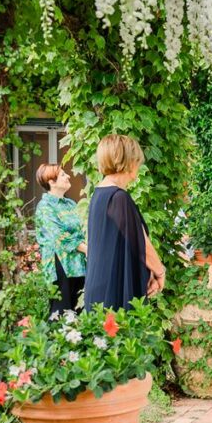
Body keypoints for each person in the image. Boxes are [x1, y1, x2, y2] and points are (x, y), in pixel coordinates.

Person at [84, 134, 166, 311]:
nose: (139, 165)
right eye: (137, 160)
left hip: (99, 288)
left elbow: (123, 243)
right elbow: (140, 243)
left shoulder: (99, 194)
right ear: (129, 162)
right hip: (113, 291)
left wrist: (149, 270)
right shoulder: (118, 197)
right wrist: (159, 271)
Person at [34, 164, 87, 313]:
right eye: (63, 175)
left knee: (80, 311)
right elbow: (60, 238)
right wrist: (88, 250)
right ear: (51, 182)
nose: (68, 176)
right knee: (61, 314)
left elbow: (83, 229)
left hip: (80, 263)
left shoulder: (71, 204)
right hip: (60, 265)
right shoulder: (45, 207)